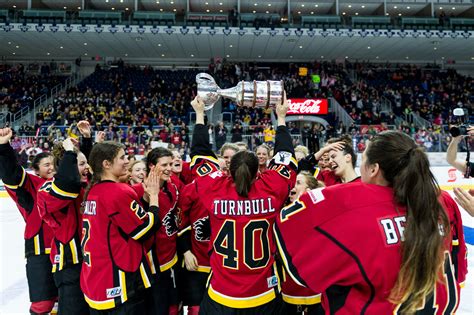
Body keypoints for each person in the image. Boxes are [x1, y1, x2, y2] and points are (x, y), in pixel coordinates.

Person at [275, 131, 467, 314]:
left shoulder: (347, 201)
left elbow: (288, 233)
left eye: (364, 160)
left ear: (374, 169)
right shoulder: (442, 201)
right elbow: (458, 270)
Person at [186, 95, 297, 313]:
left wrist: (200, 115)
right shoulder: (271, 187)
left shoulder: (215, 188)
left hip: (222, 294)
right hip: (263, 294)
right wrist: (281, 119)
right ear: (259, 172)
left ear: (229, 170)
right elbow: (285, 156)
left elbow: (199, 155)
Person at [80, 141, 161, 313]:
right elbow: (145, 230)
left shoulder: (93, 191)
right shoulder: (117, 192)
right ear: (106, 164)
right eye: (122, 158)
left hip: (95, 279)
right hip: (118, 281)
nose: (127, 161)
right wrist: (154, 198)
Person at [0, 127, 57, 315]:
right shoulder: (32, 185)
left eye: (53, 164)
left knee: (67, 301)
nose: (51, 168)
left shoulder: (64, 184)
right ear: (36, 169)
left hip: (66, 252)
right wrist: (4, 147)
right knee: (42, 304)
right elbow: (11, 174)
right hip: (40, 251)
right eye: (46, 164)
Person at [37, 122, 93, 315]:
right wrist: (70, 153)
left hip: (92, 261)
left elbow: (92, 174)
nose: (87, 168)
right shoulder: (48, 190)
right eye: (82, 164)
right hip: (69, 264)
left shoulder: (85, 185)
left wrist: (86, 142)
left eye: (86, 163)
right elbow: (67, 187)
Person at [282, 171, 325, 315]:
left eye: (298, 183)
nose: (292, 186)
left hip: (316, 292)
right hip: (288, 291)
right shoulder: (282, 214)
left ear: (308, 191)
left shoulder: (321, 215)